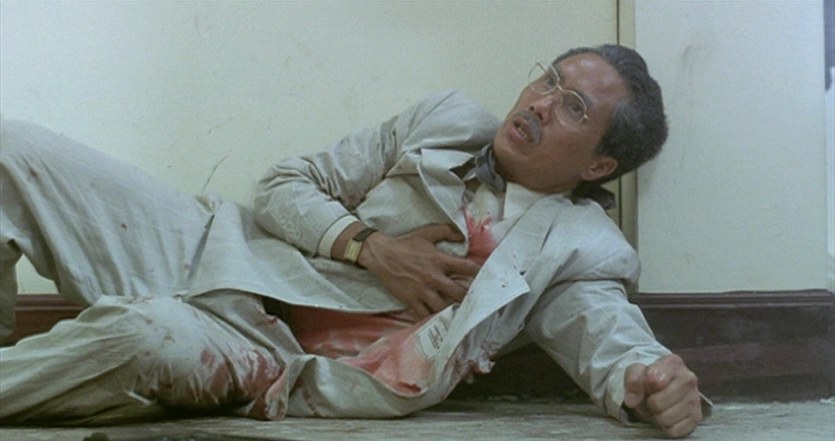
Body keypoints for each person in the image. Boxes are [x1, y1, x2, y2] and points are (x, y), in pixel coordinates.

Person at [0, 44, 706, 437]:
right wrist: (368, 245)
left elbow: (604, 330)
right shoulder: (445, 119)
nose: (540, 102)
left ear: (598, 165)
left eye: (572, 106)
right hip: (221, 249)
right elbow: (285, 185)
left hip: (269, 356)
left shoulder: (577, 245)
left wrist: (650, 380)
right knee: (12, 150)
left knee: (142, 336)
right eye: (548, 79)